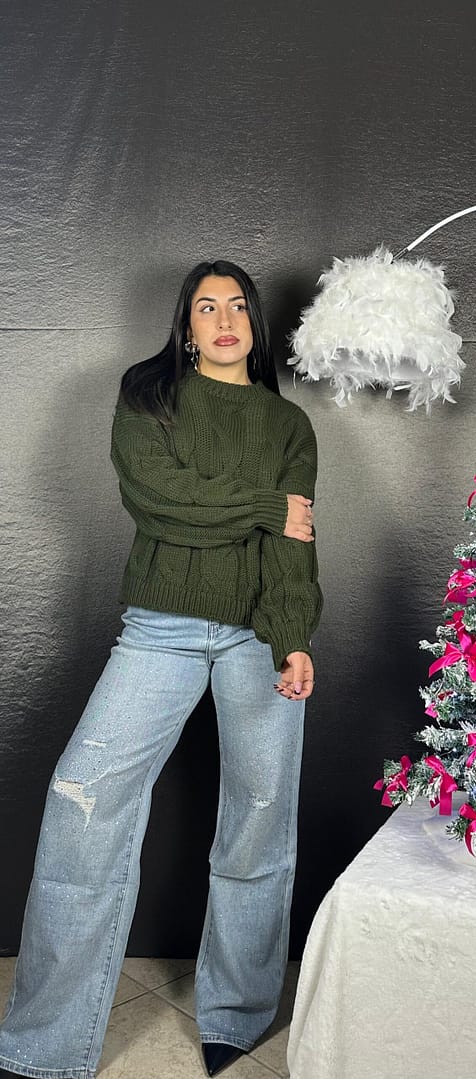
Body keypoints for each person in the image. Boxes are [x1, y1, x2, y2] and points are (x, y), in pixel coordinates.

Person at [0, 260, 323, 1079]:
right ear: (186, 326)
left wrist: (292, 637)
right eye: (206, 307)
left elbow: (293, 550)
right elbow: (158, 499)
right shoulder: (150, 397)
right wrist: (262, 506)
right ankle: (42, 1045)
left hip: (258, 636)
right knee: (82, 801)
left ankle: (236, 1015)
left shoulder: (289, 427)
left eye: (237, 306)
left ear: (255, 324)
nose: (224, 319)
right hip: (159, 631)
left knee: (259, 817)